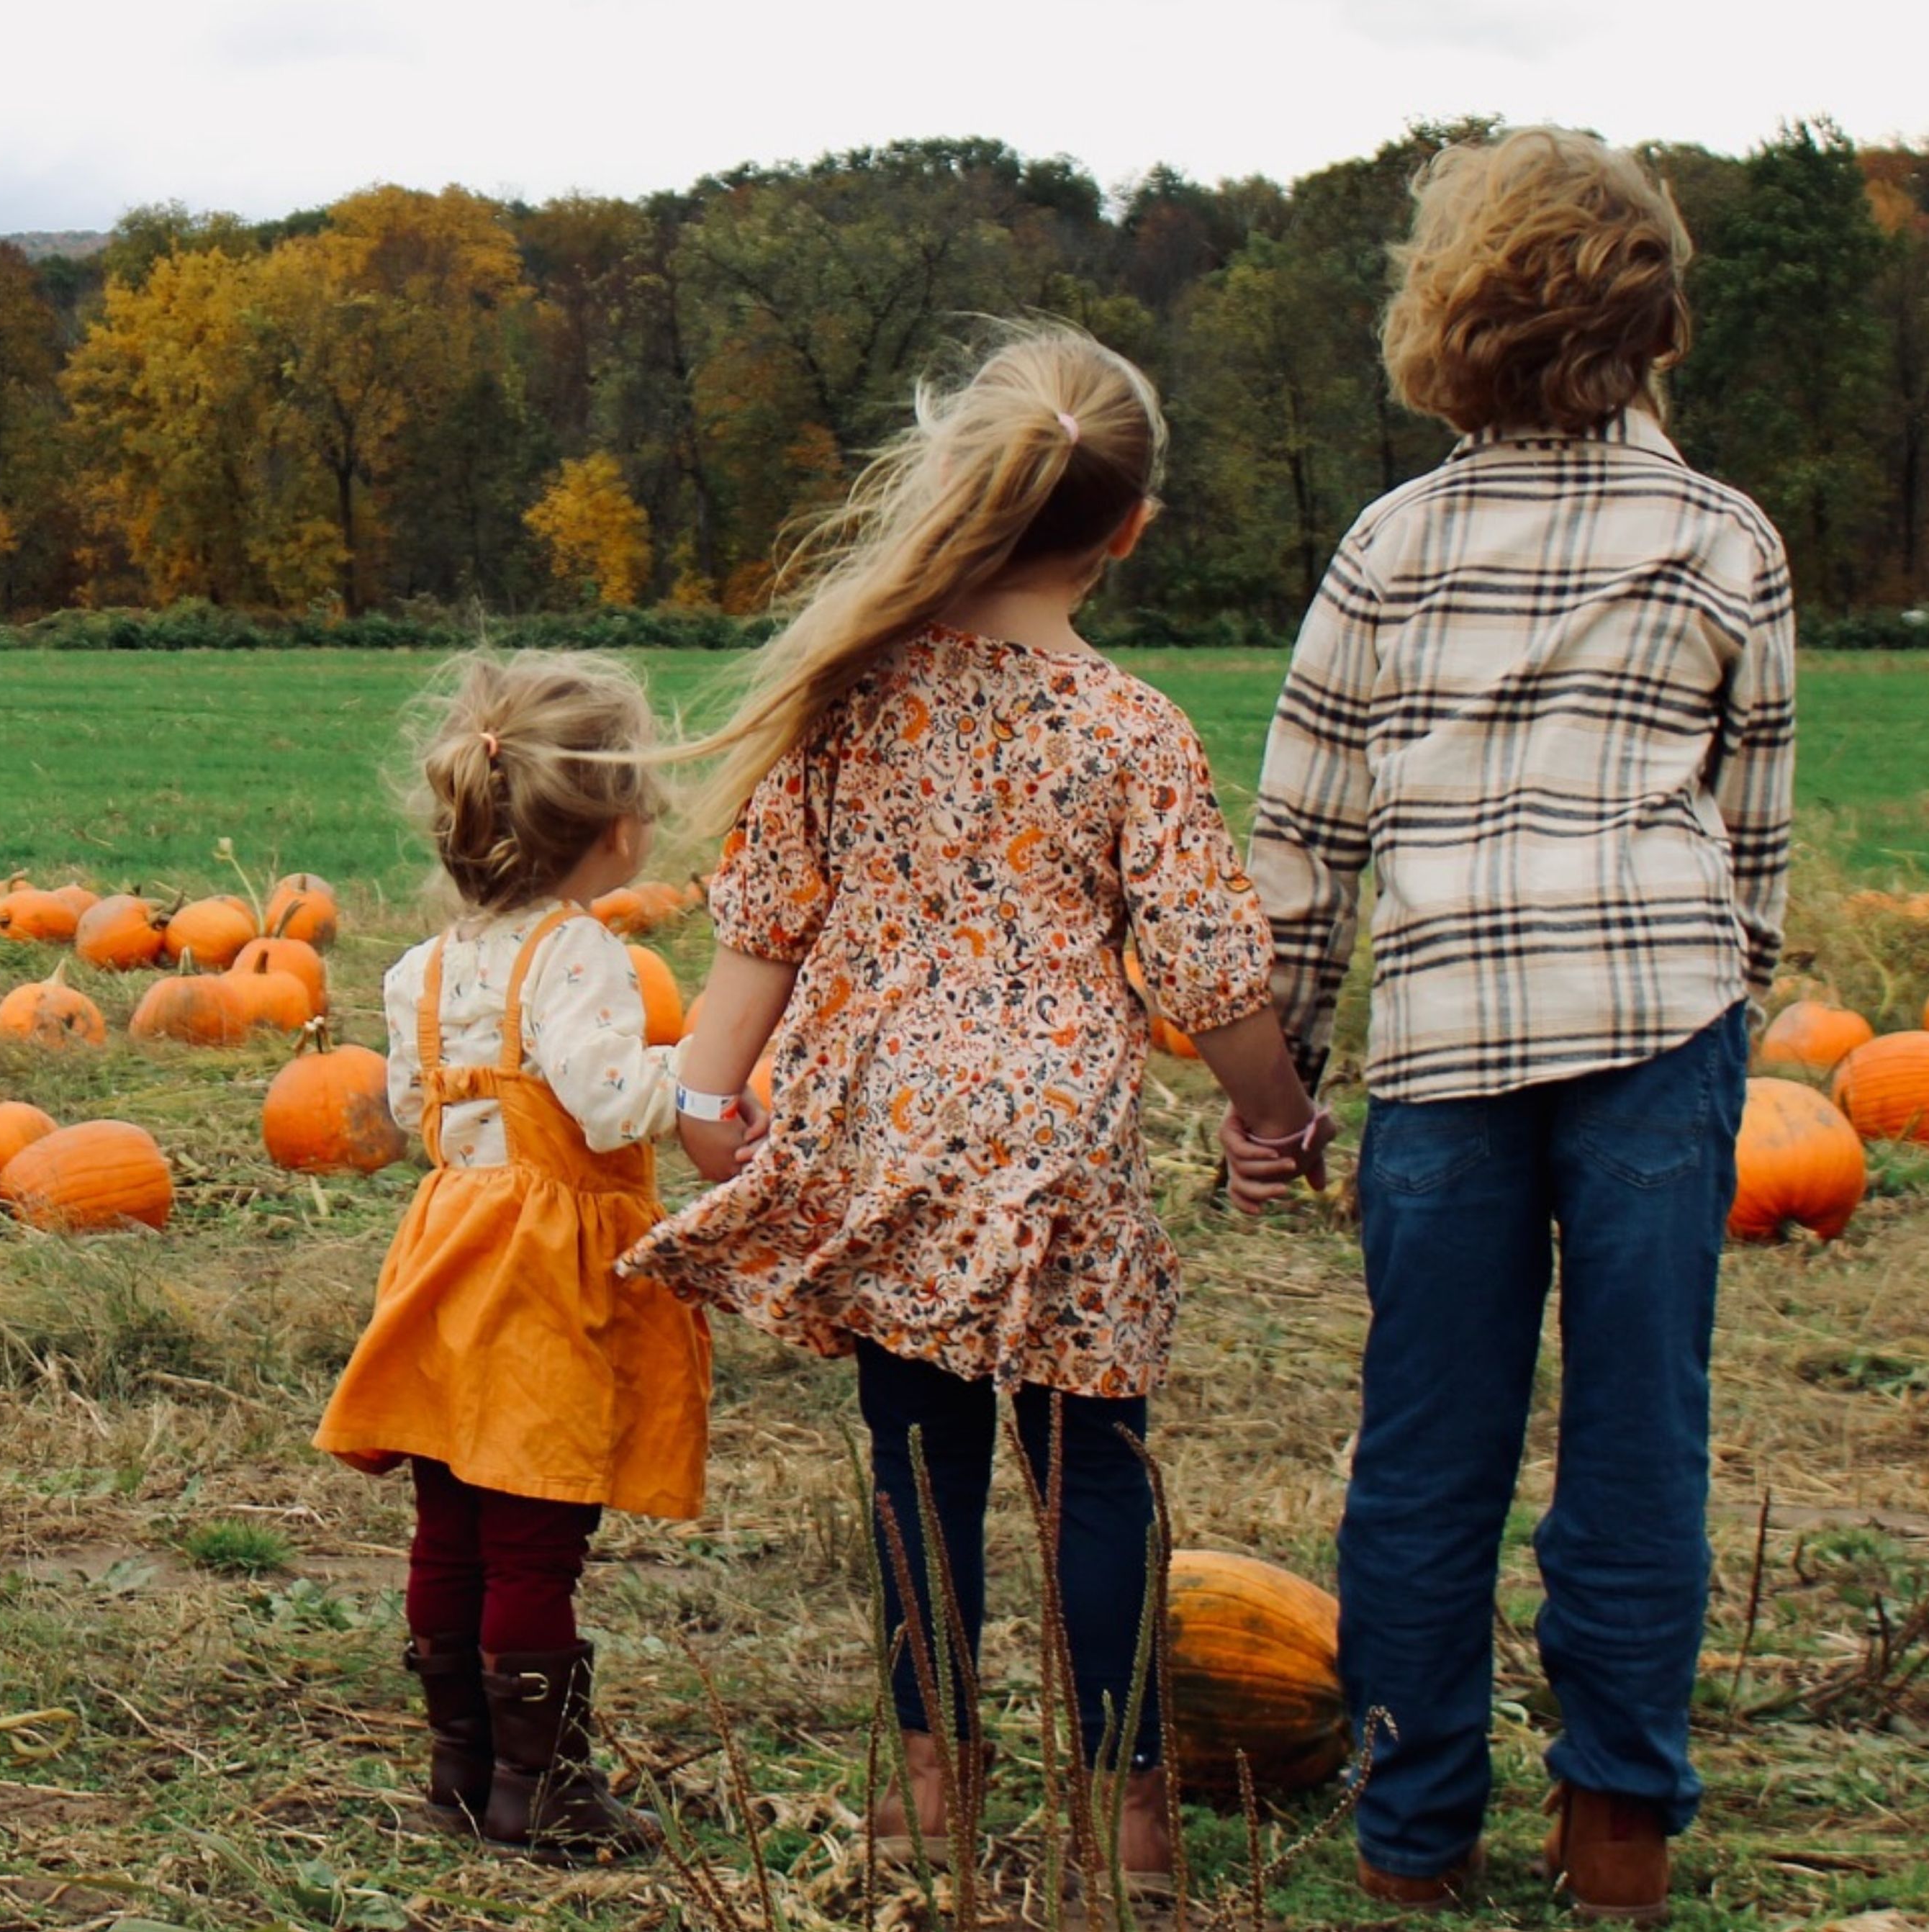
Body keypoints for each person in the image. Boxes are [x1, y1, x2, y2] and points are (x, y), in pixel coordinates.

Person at [619, 323, 1329, 1897]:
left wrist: (701, 1090)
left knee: (913, 1459)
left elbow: (764, 919)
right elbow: (1207, 972)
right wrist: (1268, 1117)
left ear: (958, 492)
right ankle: (1128, 1825)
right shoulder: (1128, 725)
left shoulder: (855, 690)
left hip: (883, 1121)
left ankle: (921, 1795)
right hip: (1056, 1140)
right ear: (1126, 529)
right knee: (1093, 1470)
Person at [1244, 127, 1795, 1921]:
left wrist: (1282, 1081)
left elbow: (1304, 845)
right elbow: (1750, 834)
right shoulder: (1725, 538)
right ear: (1654, 321)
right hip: (1658, 1020)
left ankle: (1413, 1840)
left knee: (1425, 1444)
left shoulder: (1387, 543)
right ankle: (1617, 1829)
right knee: (1637, 1436)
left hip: (1450, 1040)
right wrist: (1732, 1000)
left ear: (1444, 315)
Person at [312, 650, 724, 1866]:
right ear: (612, 828)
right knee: (537, 1529)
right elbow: (605, 1103)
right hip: (544, 1272)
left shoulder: (418, 968)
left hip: (447, 1253)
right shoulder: (579, 951)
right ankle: (538, 1790)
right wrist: (698, 1085)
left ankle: (459, 1769)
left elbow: (407, 1107)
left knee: (450, 1517)